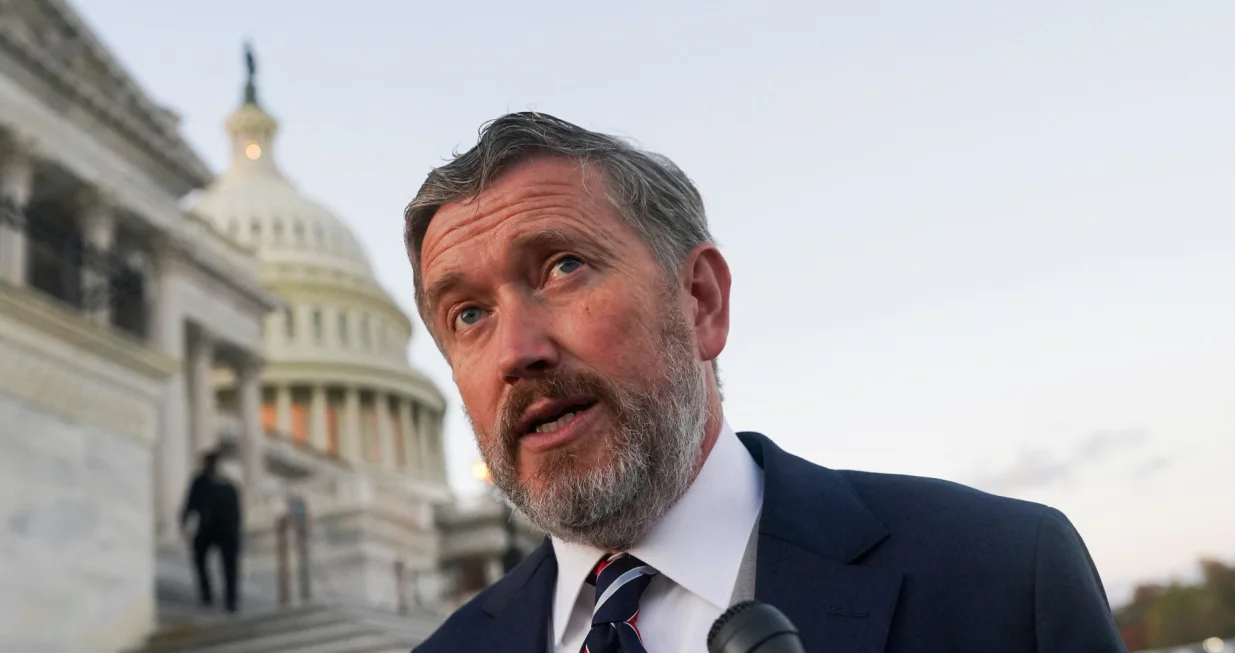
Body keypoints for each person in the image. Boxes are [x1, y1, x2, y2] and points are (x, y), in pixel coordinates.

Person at [402, 112, 1126, 652]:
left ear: (700, 301)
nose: (516, 351)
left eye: (562, 266)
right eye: (468, 314)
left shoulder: (1001, 574)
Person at [180, 450, 243, 613]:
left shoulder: (203, 481)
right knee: (225, 565)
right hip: (222, 530)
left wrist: (184, 520)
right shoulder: (226, 483)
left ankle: (212, 595)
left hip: (212, 529)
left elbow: (190, 503)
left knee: (209, 561)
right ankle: (228, 599)